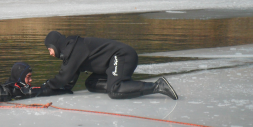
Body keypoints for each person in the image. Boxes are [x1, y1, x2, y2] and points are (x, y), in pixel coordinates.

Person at [43, 31, 178, 100]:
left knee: (115, 90)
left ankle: (158, 86)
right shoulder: (71, 49)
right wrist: (65, 89)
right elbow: (71, 74)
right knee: (91, 83)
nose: (50, 53)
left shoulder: (74, 49)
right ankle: (124, 85)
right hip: (111, 64)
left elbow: (64, 76)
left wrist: (45, 87)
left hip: (122, 55)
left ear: (55, 45)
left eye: (49, 49)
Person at [0, 62, 72, 102]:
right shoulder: (19, 89)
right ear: (20, 77)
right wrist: (63, 90)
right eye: (28, 77)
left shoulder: (9, 84)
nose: (31, 80)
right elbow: (40, 91)